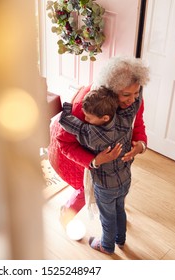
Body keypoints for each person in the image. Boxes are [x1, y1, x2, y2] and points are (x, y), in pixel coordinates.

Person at [47, 56, 149, 230]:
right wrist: (94, 161)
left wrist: (140, 144)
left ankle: (115, 213)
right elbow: (65, 143)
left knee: (114, 186)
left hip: (109, 157)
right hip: (72, 153)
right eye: (126, 95)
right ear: (110, 90)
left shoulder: (134, 101)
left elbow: (138, 124)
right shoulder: (86, 106)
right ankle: (66, 213)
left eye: (136, 93)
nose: (133, 100)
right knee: (86, 189)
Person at [59, 84, 145, 254]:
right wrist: (138, 88)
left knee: (107, 217)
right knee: (120, 210)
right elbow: (137, 101)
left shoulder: (92, 135)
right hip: (125, 179)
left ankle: (106, 245)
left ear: (105, 118)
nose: (86, 120)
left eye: (89, 118)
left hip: (105, 186)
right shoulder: (126, 119)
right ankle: (121, 239)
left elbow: (67, 122)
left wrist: (69, 104)